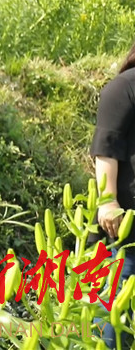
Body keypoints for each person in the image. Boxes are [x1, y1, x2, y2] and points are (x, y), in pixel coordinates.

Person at [91, 40, 135, 348]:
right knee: (113, 328)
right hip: (125, 235)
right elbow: (107, 147)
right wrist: (107, 201)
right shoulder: (124, 87)